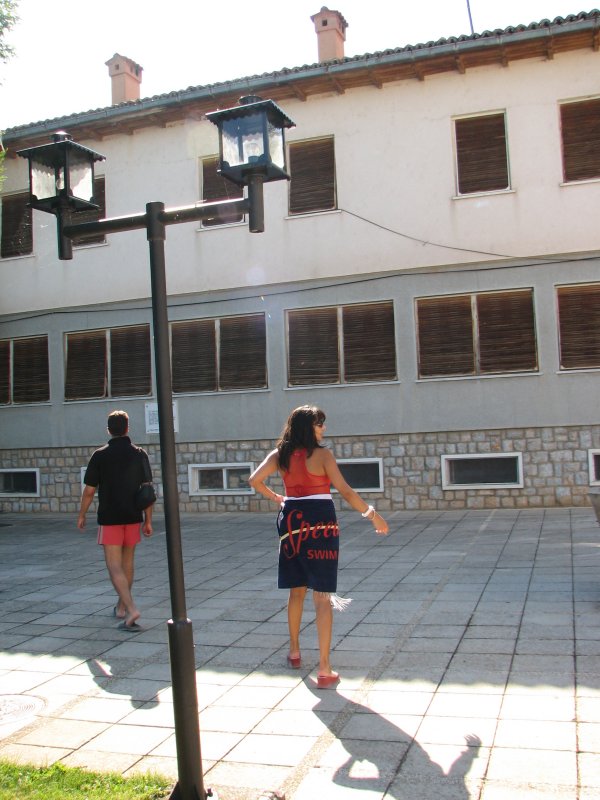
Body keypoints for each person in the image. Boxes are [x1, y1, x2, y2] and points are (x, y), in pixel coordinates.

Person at [249, 405, 389, 688]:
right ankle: (324, 668)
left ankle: (294, 651)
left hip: (291, 521)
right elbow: (345, 490)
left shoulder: (280, 455)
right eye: (319, 423)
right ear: (307, 427)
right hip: (321, 522)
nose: (324, 427)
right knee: (322, 596)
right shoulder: (323, 455)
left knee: (296, 590)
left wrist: (278, 498)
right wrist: (372, 515)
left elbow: (254, 480)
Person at [77, 410, 154, 631]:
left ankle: (131, 609)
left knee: (114, 566)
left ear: (109, 430)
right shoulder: (139, 454)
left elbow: (89, 491)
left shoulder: (100, 455)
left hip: (110, 518)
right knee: (127, 564)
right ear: (128, 428)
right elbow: (147, 491)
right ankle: (121, 607)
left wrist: (82, 514)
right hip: (133, 516)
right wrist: (148, 521)